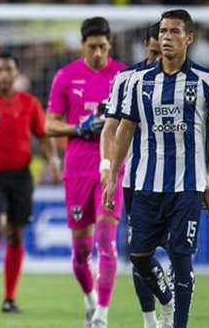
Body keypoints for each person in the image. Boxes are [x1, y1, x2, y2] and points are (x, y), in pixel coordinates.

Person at [105, 9, 209, 328]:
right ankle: (166, 300)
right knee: (138, 256)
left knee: (181, 256)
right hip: (145, 184)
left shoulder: (206, 80)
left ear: (189, 38)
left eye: (174, 32)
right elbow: (124, 129)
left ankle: (178, 323)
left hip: (188, 186)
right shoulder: (139, 82)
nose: (166, 37)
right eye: (163, 31)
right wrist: (112, 176)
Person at [45, 17, 126, 327]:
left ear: (110, 45)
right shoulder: (66, 77)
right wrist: (77, 128)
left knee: (106, 242)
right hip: (77, 169)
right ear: (82, 45)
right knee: (81, 252)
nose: (97, 53)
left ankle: (102, 316)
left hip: (111, 170)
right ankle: (91, 301)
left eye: (102, 47)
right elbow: (49, 124)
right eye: (91, 47)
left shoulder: (123, 76)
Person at [0, 51, 60, 313]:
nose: (3, 74)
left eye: (8, 70)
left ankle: (9, 299)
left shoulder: (29, 102)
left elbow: (43, 135)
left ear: (16, 74)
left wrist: (53, 160)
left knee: (15, 235)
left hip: (21, 176)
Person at [100, 24, 166, 328]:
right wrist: (108, 171)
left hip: (179, 182)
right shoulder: (127, 80)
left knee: (178, 251)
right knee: (140, 253)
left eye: (161, 53)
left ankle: (173, 313)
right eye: (152, 52)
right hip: (138, 180)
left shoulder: (190, 82)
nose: (156, 59)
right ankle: (150, 320)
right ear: (145, 46)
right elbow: (111, 128)